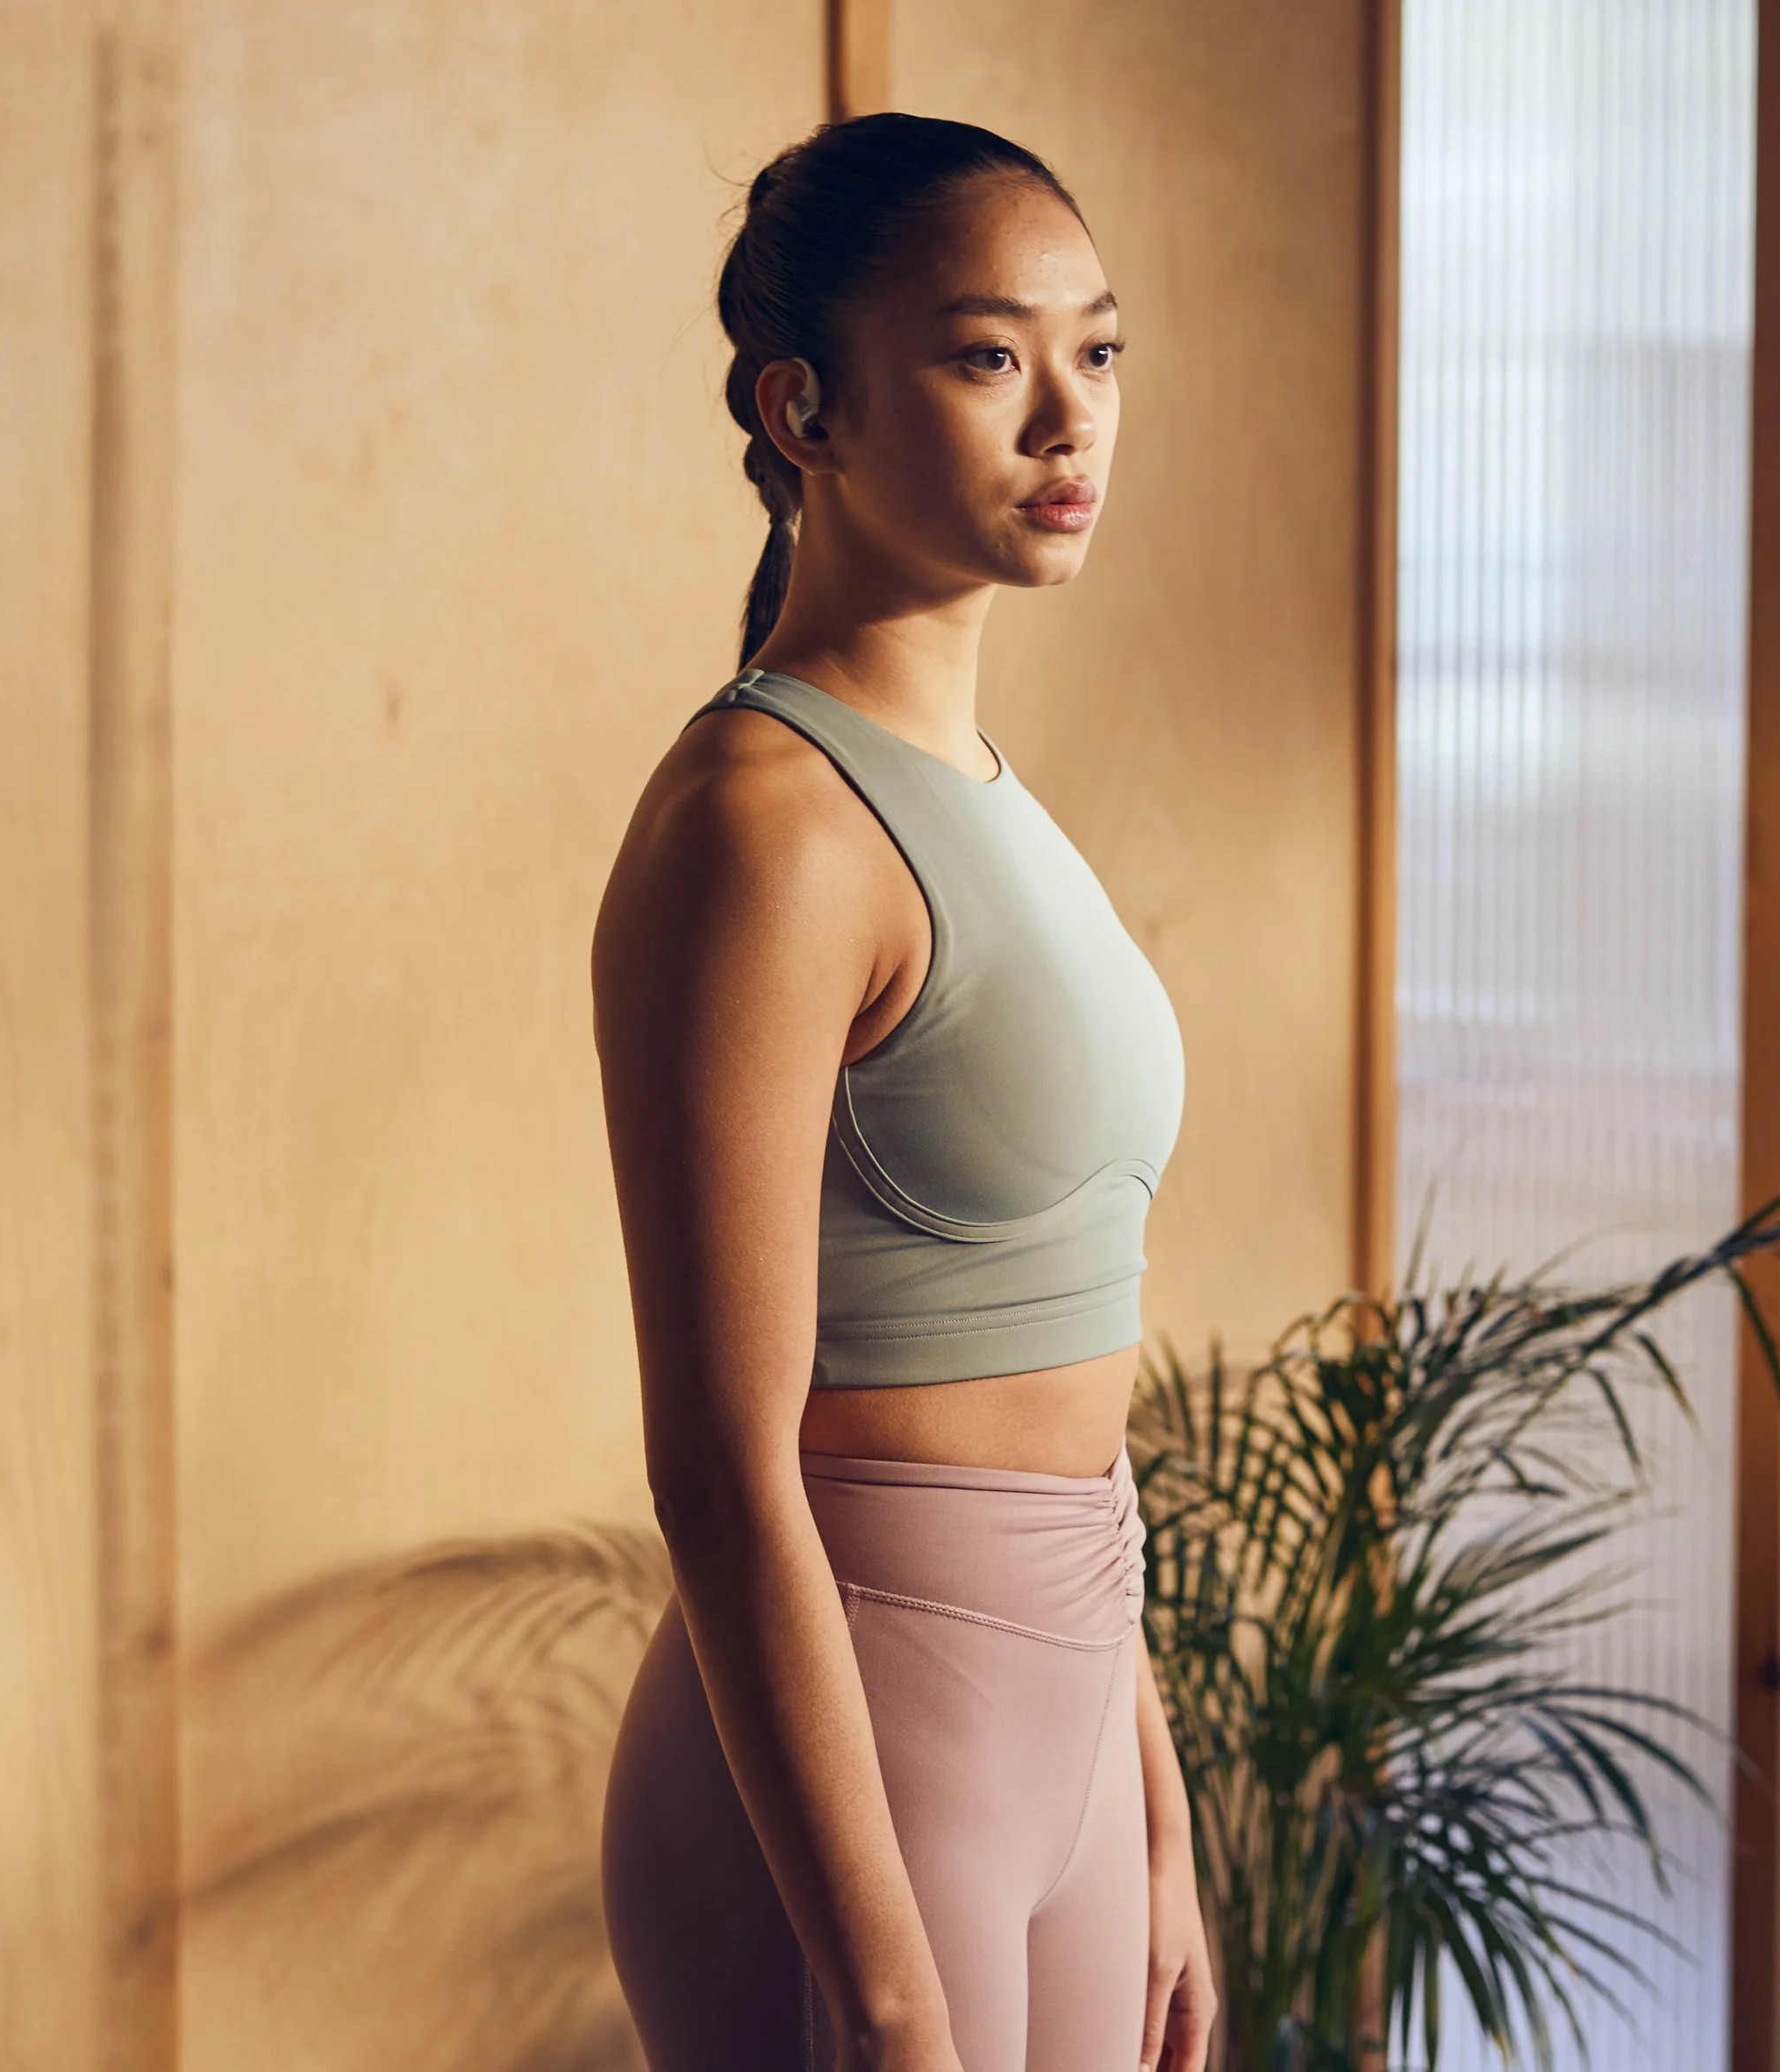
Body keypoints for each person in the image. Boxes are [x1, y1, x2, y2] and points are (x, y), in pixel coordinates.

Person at [590, 111, 1216, 2072]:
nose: (1066, 420)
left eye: (1095, 352)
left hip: (1065, 1727)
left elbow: (1075, 1380)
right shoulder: (760, 828)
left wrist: (1159, 1802)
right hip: (857, 1763)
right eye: (982, 354)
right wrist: (868, 1972)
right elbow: (716, 1456)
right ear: (806, 410)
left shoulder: (997, 809)